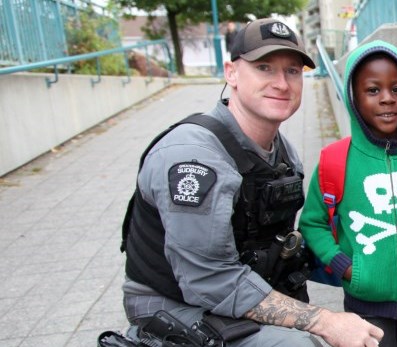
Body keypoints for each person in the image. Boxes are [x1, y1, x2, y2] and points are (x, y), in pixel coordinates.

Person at [119, 18, 383, 347]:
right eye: (264, 67)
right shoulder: (194, 158)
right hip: (175, 306)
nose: (282, 84)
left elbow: (277, 243)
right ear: (232, 72)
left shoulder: (282, 151)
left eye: (292, 71)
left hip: (239, 289)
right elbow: (209, 281)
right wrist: (321, 320)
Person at [298, 40, 397, 347]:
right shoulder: (335, 159)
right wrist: (346, 267)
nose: (387, 99)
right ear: (353, 98)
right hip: (364, 307)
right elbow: (312, 223)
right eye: (373, 90)